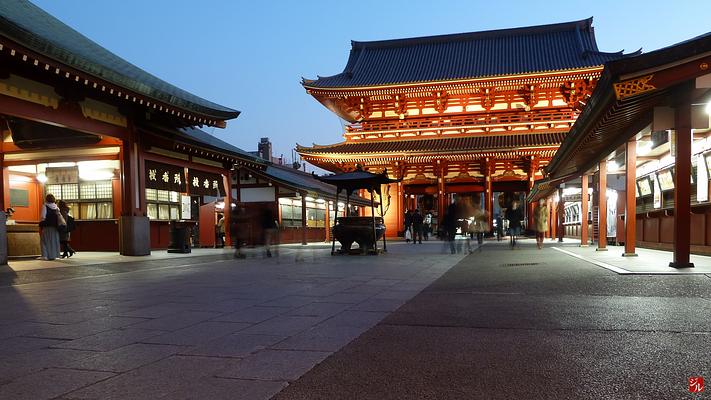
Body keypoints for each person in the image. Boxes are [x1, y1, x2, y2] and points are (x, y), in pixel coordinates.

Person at [39, 194, 61, 260]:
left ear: (46, 199)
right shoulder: (56, 207)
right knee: (54, 241)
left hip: (47, 226)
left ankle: (45, 255)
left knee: (44, 241)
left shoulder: (45, 206)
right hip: (55, 227)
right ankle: (54, 255)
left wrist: (41, 223)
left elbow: (43, 216)